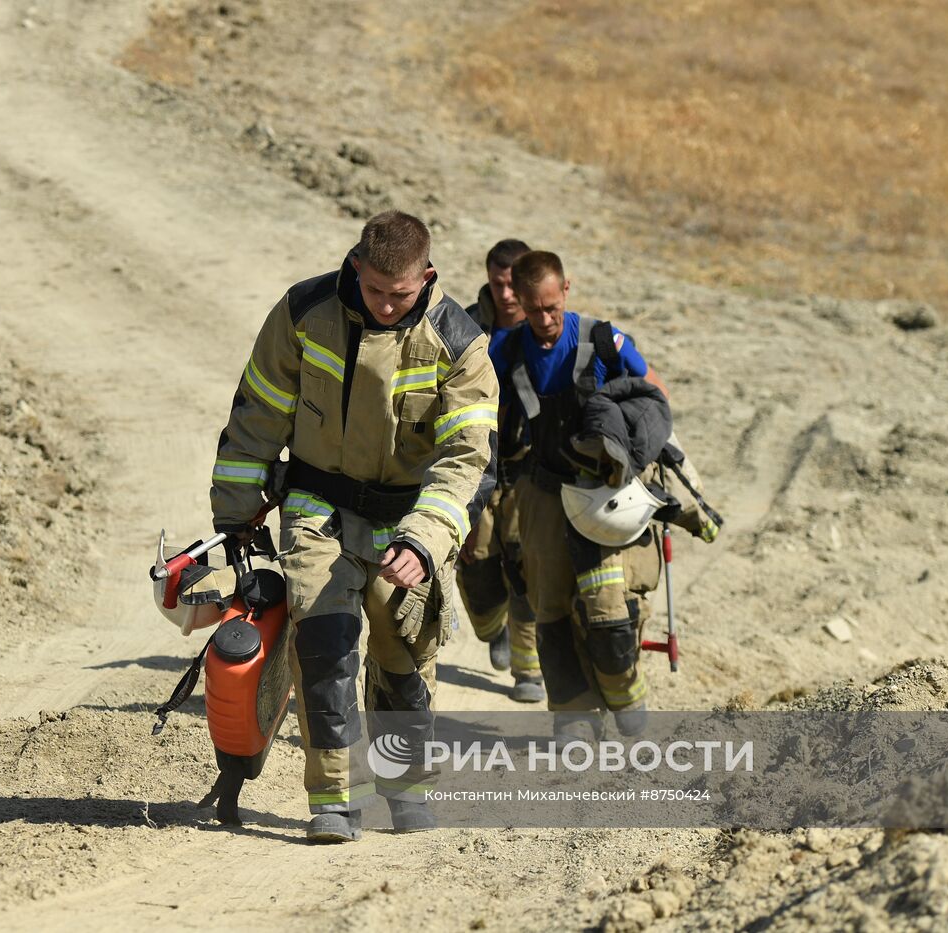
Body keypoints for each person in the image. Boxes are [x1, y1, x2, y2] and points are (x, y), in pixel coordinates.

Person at [210, 210, 498, 842]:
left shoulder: (461, 342)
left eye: (403, 295)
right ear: (356, 265)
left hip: (408, 524)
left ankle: (404, 787)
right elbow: (256, 416)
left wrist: (424, 541)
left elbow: (468, 460)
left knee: (401, 654)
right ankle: (334, 801)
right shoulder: (302, 313)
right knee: (326, 646)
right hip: (318, 511)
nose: (388, 307)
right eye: (375, 291)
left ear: (428, 276)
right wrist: (234, 516)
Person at [494, 250, 715, 739]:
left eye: (552, 307)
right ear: (519, 303)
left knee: (608, 608)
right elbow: (486, 414)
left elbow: (655, 395)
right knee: (549, 605)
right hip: (544, 489)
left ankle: (624, 693)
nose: (545, 320)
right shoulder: (506, 350)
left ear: (566, 290)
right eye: (534, 310)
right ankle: (571, 714)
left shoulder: (603, 339)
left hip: (607, 493)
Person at [457, 239, 543, 702]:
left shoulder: (547, 326)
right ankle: (494, 631)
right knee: (475, 567)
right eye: (498, 283)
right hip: (475, 468)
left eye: (515, 284)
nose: (507, 294)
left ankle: (529, 673)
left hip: (530, 471)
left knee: (528, 569)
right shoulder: (464, 324)